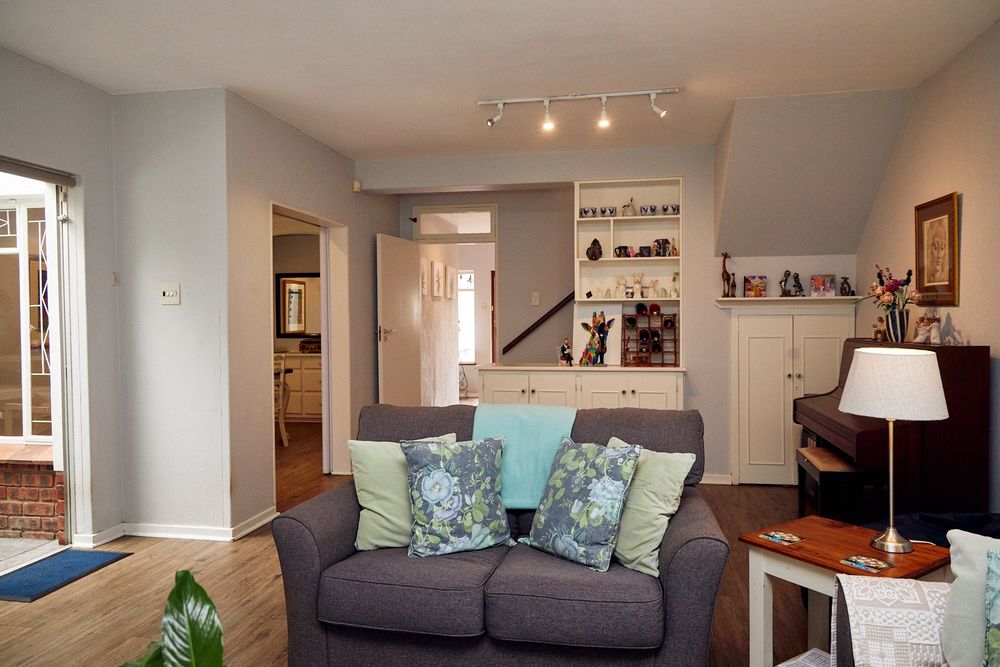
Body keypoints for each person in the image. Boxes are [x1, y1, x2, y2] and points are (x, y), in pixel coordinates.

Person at [925, 219, 948, 285]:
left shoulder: (945, 278)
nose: (939, 255)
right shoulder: (927, 277)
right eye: (935, 247)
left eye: (942, 248)